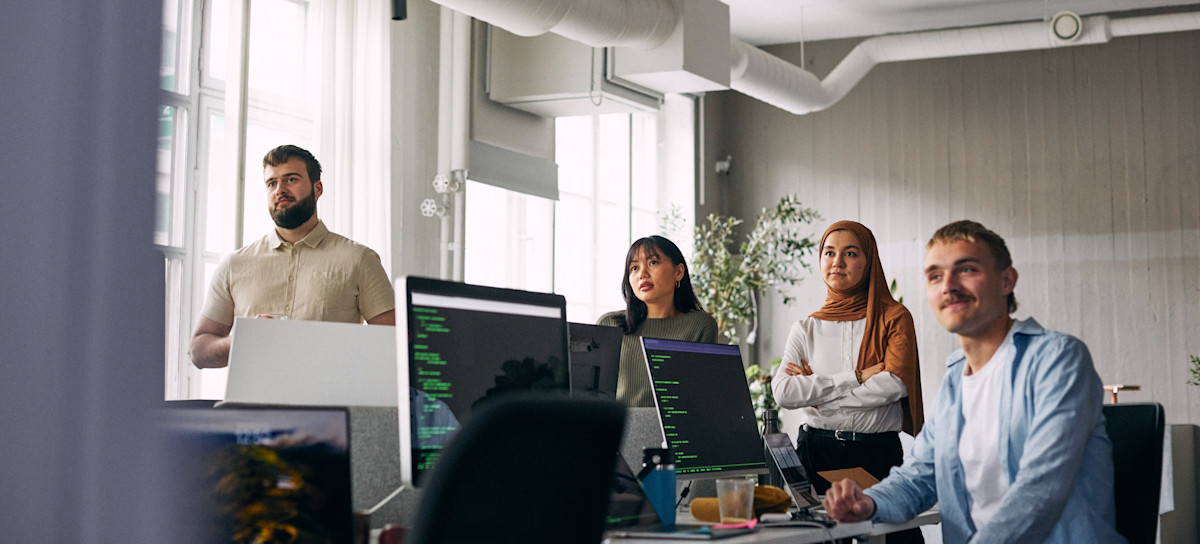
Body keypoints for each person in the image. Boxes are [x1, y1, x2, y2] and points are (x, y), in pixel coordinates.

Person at [823, 220, 1123, 544]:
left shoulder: (1058, 359)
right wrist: (869, 502)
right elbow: (919, 478)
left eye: (966, 270)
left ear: (1007, 280)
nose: (948, 286)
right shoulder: (954, 380)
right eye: (935, 275)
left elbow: (1040, 489)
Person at [770, 220, 924, 544]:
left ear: (868, 260)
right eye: (829, 253)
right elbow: (784, 391)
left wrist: (817, 394)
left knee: (896, 538)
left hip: (875, 453)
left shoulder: (894, 318)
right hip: (815, 452)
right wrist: (854, 378)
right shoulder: (806, 328)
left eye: (850, 253)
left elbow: (895, 383)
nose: (837, 262)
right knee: (816, 539)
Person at [190, 145, 395, 369]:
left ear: (317, 188)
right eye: (272, 183)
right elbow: (198, 351)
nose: (280, 190)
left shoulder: (360, 260)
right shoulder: (233, 265)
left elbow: (395, 343)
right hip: (250, 403)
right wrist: (241, 341)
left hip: (330, 401)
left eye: (291, 180)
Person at [597, 235, 718, 407]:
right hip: (616, 430)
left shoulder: (700, 325)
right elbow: (594, 395)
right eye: (634, 268)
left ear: (678, 272)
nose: (642, 274)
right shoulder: (610, 324)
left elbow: (702, 398)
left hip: (673, 431)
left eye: (652, 263)